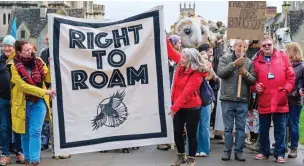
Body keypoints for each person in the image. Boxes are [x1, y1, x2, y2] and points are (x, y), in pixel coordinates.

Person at [10, 40, 56, 166]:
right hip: (22, 102)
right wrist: (44, 92)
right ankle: (28, 159)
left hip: (39, 102)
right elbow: (22, 86)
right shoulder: (14, 66)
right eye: (27, 50)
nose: (31, 51)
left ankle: (34, 160)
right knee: (25, 133)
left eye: (31, 49)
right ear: (19, 52)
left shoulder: (39, 61)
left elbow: (47, 78)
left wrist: (51, 65)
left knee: (35, 131)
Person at [252, 35, 295, 163]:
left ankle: (280, 153)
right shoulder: (256, 62)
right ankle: (264, 151)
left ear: (273, 44)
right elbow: (251, 81)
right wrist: (255, 87)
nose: (267, 47)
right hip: (264, 99)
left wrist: (286, 89)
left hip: (280, 99)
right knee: (264, 128)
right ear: (261, 47)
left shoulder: (283, 58)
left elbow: (291, 77)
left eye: (269, 44)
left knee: (280, 129)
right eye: (264, 45)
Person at [166, 37, 209, 166]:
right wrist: (163, 35)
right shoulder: (183, 63)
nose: (181, 59)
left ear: (190, 60)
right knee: (177, 132)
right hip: (179, 107)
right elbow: (170, 51)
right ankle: (181, 156)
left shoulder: (197, 74)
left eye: (183, 58)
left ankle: (191, 158)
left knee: (191, 134)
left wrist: (174, 108)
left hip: (192, 107)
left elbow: (186, 94)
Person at [217, 39, 256, 161]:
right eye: (239, 46)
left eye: (244, 46)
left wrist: (245, 73)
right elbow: (221, 73)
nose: (241, 48)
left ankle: (239, 151)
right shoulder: (225, 58)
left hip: (242, 100)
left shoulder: (249, 62)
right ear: (234, 47)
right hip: (227, 99)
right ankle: (227, 151)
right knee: (228, 128)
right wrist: (234, 64)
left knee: (240, 128)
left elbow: (253, 80)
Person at [0, 35, 24, 165]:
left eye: (10, 45)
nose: (7, 48)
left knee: (18, 126)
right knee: (4, 127)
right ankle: (5, 154)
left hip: (17, 100)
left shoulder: (18, 60)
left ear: (14, 47)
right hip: (3, 99)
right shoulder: (0, 60)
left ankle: (19, 151)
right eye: (5, 45)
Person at [157, 35, 181, 151]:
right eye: (178, 42)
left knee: (173, 117)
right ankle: (162, 141)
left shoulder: (178, 57)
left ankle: (172, 140)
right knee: (164, 115)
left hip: (173, 91)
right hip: (164, 90)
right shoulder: (162, 55)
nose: (180, 45)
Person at [285, 42, 304, 158]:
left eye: (287, 51)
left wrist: (300, 90)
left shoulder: (301, 67)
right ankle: (284, 144)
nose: (285, 53)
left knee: (293, 124)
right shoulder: (289, 66)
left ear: (293, 52)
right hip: (286, 99)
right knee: (285, 124)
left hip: (296, 101)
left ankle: (294, 148)